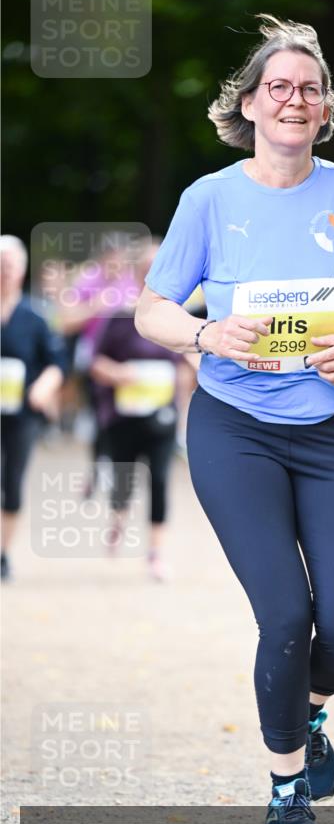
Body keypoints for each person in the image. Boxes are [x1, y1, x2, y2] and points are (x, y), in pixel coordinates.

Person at [134, 14, 334, 824]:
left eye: (309, 89)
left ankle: (307, 711)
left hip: (326, 429)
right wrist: (206, 335)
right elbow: (151, 310)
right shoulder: (209, 199)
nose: (293, 100)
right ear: (248, 104)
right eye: (277, 87)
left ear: (325, 108)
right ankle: (287, 785)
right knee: (285, 616)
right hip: (234, 428)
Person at [90, 239, 187, 581]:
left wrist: (184, 408)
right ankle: (117, 519)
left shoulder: (176, 315)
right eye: (145, 268)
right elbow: (94, 361)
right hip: (123, 416)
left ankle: (155, 555)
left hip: (162, 415)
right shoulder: (119, 316)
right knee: (124, 479)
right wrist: (117, 374)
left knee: (159, 480)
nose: (150, 274)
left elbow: (185, 365)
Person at [1, 235, 68, 580]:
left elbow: (58, 361)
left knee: (12, 482)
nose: (5, 271)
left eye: (10, 264)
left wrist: (45, 385)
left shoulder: (36, 316)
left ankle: (3, 553)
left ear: (22, 269)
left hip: (22, 413)